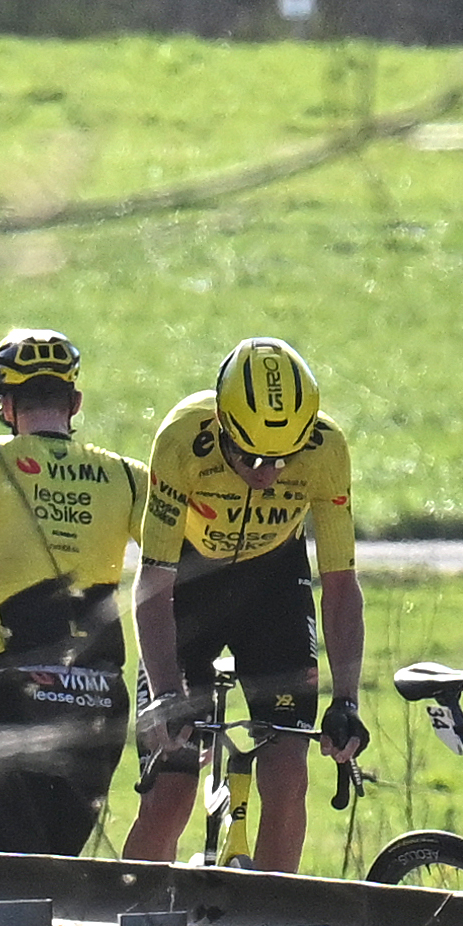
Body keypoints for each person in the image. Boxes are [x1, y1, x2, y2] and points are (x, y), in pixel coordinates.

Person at [124, 336, 365, 873]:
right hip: (188, 586)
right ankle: (129, 923)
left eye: (283, 459)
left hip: (271, 587)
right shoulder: (183, 438)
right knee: (171, 788)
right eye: (251, 456)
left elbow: (342, 585)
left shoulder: (326, 449)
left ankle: (275, 925)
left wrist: (346, 700)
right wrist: (166, 693)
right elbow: (153, 581)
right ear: (222, 425)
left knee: (287, 778)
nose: (267, 473)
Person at [0, 327, 152, 857]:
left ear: (6, 405)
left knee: (1, 875)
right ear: (74, 402)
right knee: (59, 872)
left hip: (25, 688)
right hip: (103, 698)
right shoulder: (125, 475)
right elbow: (192, 557)